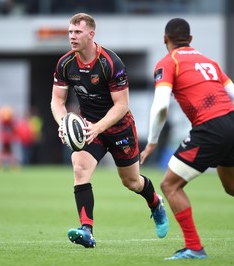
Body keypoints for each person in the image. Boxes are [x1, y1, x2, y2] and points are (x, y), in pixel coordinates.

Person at [140, 18, 234, 260]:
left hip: (212, 126)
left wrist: (151, 142)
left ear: (165, 39)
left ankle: (194, 247)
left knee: (169, 185)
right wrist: (228, 128)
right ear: (190, 40)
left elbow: (160, 107)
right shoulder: (209, 62)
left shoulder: (168, 63)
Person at [50, 13, 169, 248]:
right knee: (80, 168)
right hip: (89, 127)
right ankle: (87, 231)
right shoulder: (65, 63)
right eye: (70, 32)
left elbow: (122, 105)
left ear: (91, 34)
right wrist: (63, 123)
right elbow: (56, 101)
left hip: (118, 128)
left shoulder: (110, 63)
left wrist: (99, 127)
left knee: (132, 182)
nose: (72, 37)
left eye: (77, 32)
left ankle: (155, 203)